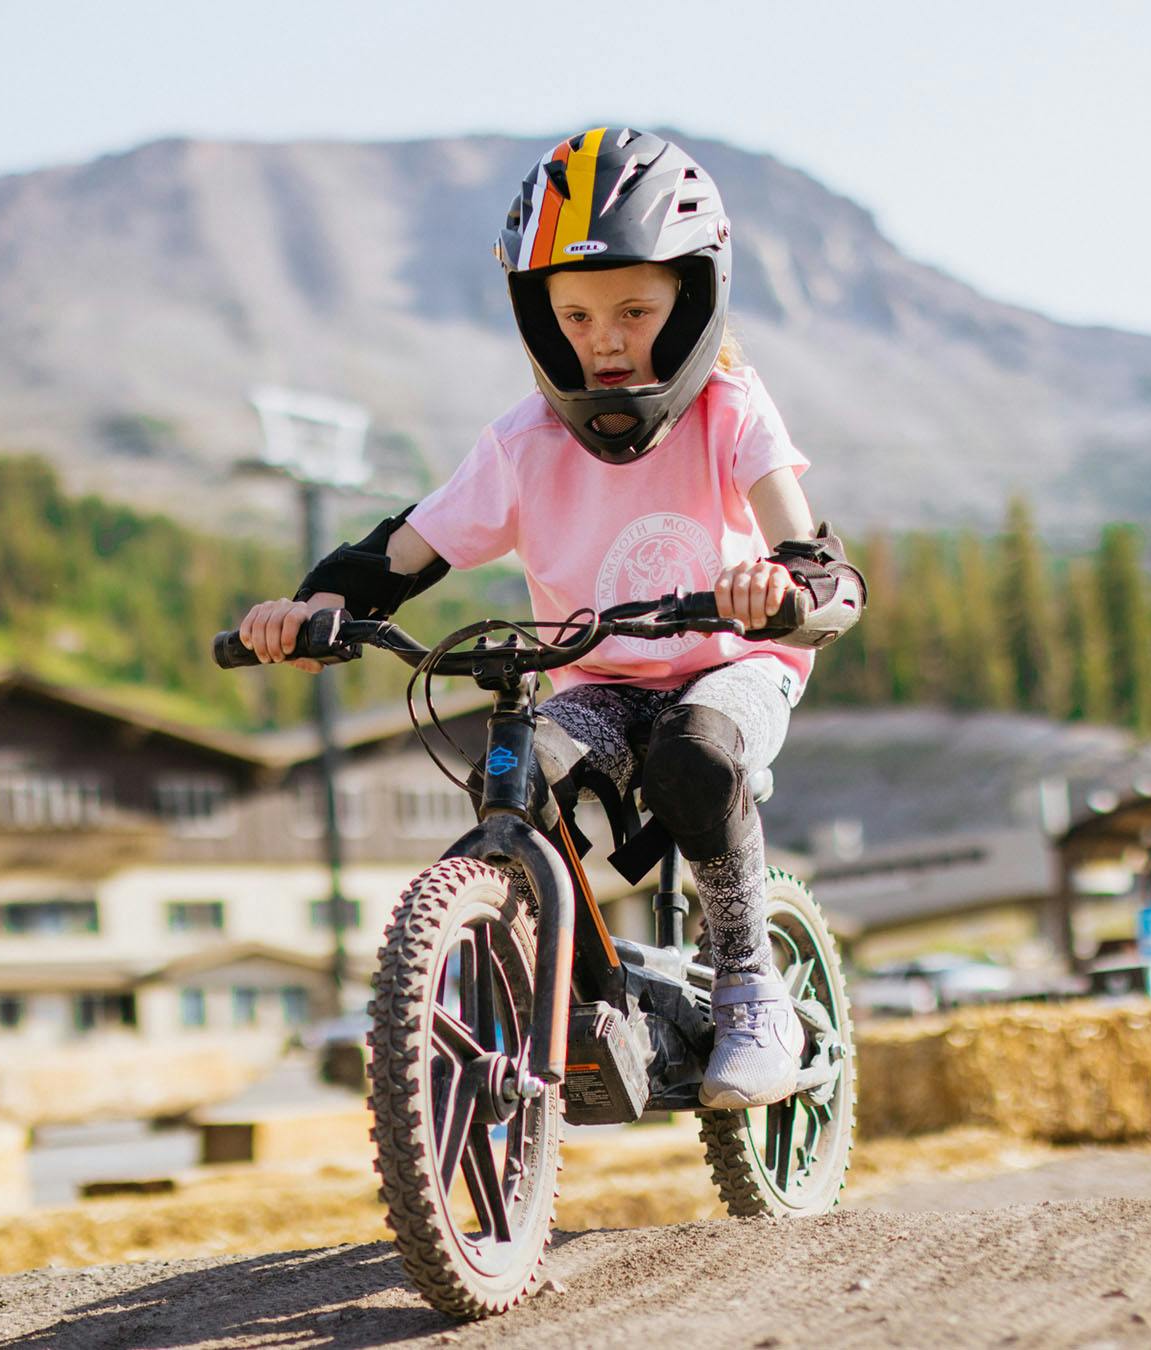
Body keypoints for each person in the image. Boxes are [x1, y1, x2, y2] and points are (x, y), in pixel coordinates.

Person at [238, 127, 859, 1108]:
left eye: (635, 308)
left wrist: (786, 589)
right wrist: (313, 609)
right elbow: (404, 551)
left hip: (729, 666)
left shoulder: (730, 413)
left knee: (695, 755)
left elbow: (813, 556)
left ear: (691, 302)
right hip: (602, 682)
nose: (604, 336)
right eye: (573, 313)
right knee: (519, 779)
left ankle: (751, 994)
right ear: (538, 316)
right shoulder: (524, 443)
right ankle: (553, 1005)